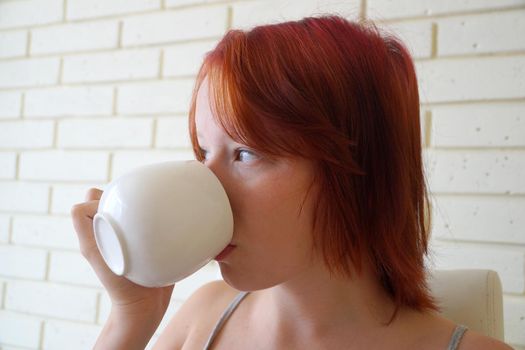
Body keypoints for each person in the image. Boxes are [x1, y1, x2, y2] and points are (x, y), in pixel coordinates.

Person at [71, 15, 512, 350]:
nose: (208, 185)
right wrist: (129, 320)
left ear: (356, 170)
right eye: (204, 152)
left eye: (246, 153)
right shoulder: (201, 318)